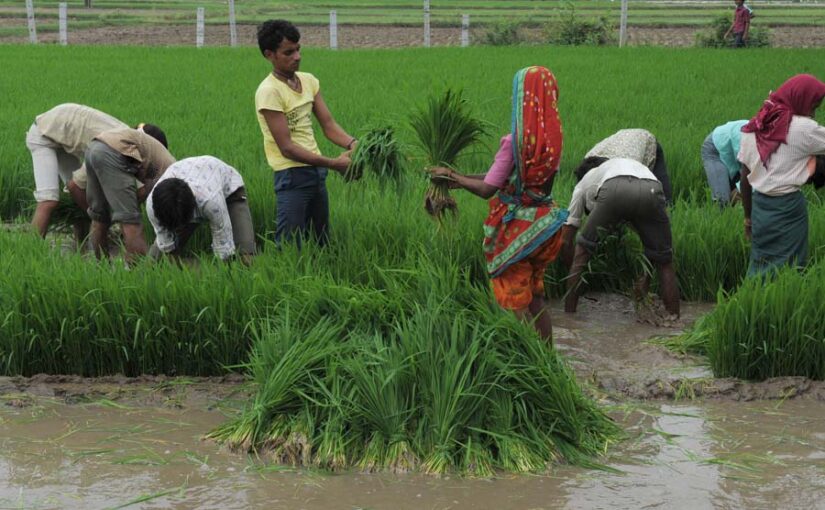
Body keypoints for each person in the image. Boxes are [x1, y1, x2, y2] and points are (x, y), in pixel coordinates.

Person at [430, 66, 567, 341]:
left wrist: (454, 176)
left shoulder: (513, 140)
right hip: (545, 227)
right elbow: (508, 178)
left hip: (518, 229)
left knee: (516, 300)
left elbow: (487, 189)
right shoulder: (552, 139)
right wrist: (458, 178)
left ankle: (530, 359)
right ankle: (548, 356)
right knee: (536, 297)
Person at [255, 19, 355, 247]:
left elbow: (328, 125)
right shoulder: (269, 91)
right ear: (269, 55)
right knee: (290, 245)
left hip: (316, 174)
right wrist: (333, 163)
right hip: (291, 176)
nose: (297, 56)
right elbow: (287, 148)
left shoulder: (309, 81)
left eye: (298, 49)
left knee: (321, 241)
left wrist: (353, 143)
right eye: (288, 52)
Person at [560, 157, 679, 317]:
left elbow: (566, 240)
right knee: (665, 262)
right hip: (653, 187)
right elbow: (651, 245)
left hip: (615, 188)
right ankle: (674, 322)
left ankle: (569, 319)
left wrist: (574, 268)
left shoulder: (583, 183)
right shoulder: (624, 165)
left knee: (582, 252)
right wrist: (646, 279)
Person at [738, 74, 825, 277]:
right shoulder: (804, 128)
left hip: (760, 207)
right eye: (813, 106)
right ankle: (785, 303)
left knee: (761, 264)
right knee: (791, 270)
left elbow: (744, 177)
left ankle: (754, 302)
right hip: (789, 208)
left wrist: (748, 219)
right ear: (800, 99)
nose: (812, 113)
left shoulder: (755, 126)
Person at [26, 103, 129, 242]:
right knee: (48, 200)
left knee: (85, 192)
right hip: (43, 133)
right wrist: (101, 218)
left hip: (61, 131)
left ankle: (81, 244)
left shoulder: (128, 138)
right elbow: (75, 186)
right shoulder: (115, 146)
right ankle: (30, 248)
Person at [84, 126, 175, 262]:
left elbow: (142, 192)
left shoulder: (160, 157)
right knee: (131, 221)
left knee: (100, 217)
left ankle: (100, 268)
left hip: (94, 147)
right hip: (114, 152)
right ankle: (138, 277)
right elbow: (148, 191)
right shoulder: (173, 174)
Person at [147, 156, 255, 265]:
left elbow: (223, 250)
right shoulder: (152, 206)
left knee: (245, 259)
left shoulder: (211, 202)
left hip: (230, 192)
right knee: (156, 262)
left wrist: (219, 270)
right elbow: (167, 248)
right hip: (189, 189)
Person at [583, 128, 673, 203]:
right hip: (623, 142)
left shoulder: (627, 170)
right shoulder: (587, 162)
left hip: (645, 141)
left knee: (663, 196)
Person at [701, 120, 748, 206]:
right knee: (722, 200)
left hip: (734, 154)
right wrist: (739, 189)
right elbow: (747, 174)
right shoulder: (749, 137)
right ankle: (719, 216)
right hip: (715, 149)